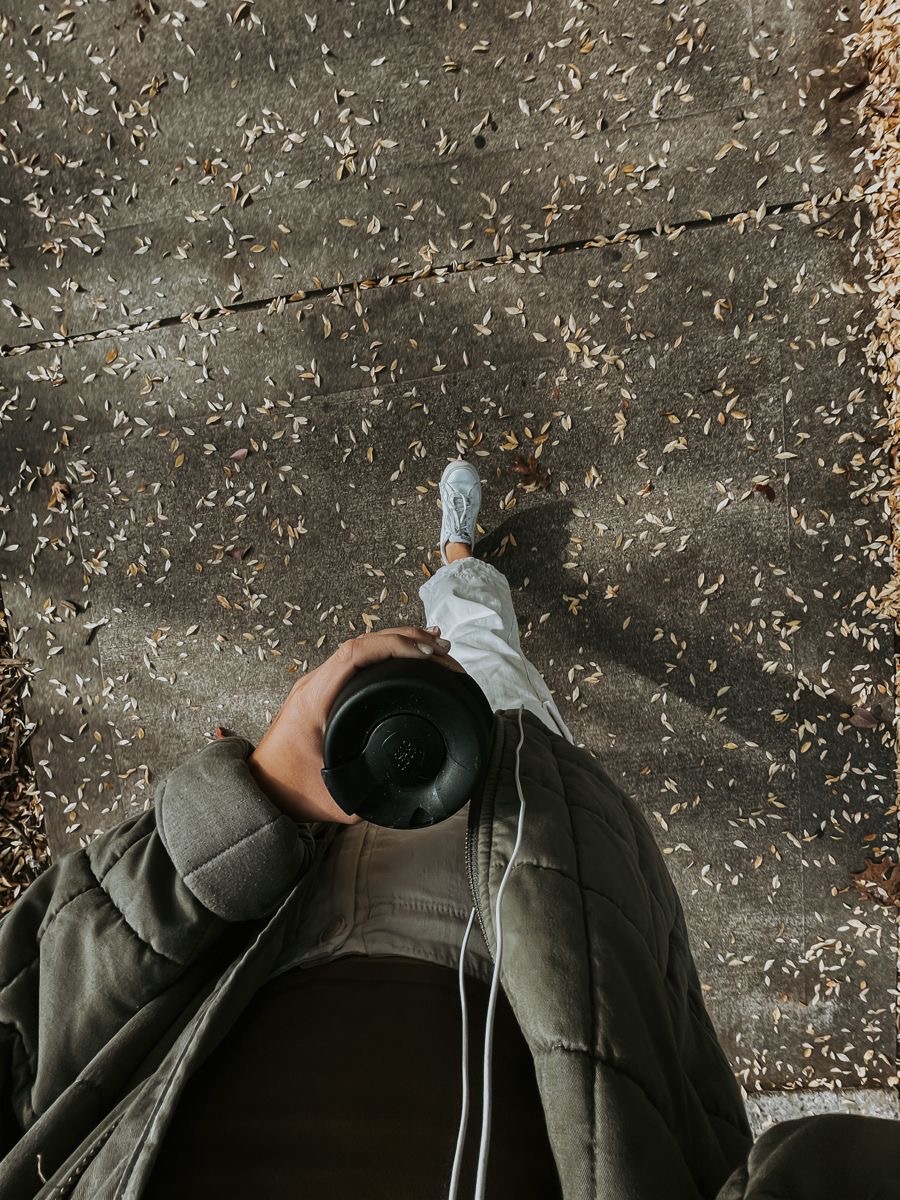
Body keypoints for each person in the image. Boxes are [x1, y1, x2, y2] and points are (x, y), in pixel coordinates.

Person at [0, 460, 898, 1200]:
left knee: (440, 678)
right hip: (554, 950)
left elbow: (35, 1009)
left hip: (280, 929)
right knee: (498, 682)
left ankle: (457, 562)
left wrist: (250, 806)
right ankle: (459, 562)